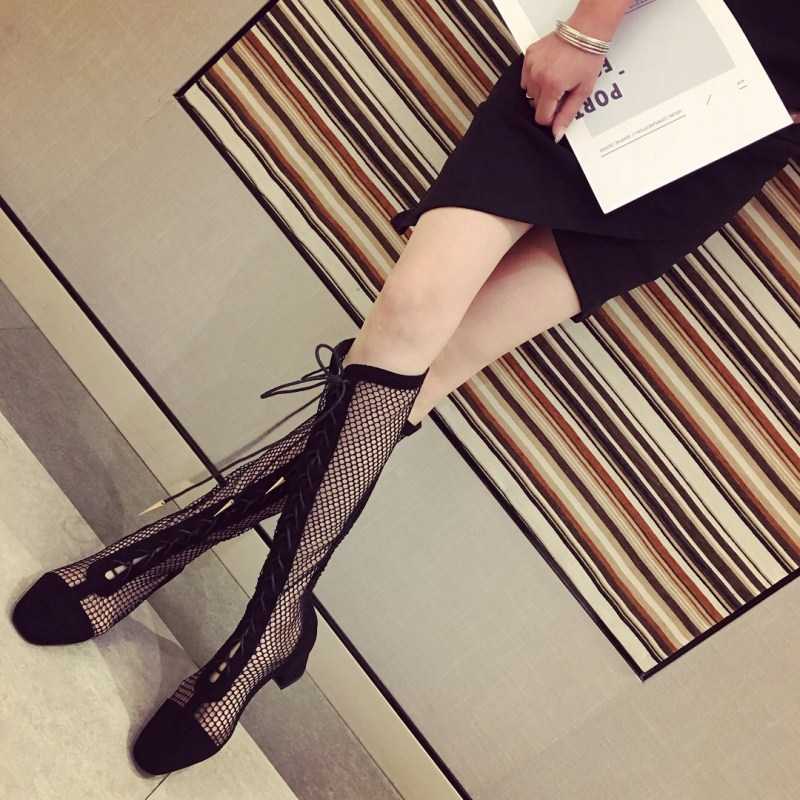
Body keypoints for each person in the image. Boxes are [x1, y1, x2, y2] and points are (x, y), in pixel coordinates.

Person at [12, 0, 799, 774]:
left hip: (726, 132)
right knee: (408, 318)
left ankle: (195, 572)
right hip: (627, 46)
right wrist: (592, 24)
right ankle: (259, 611)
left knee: (434, 371)